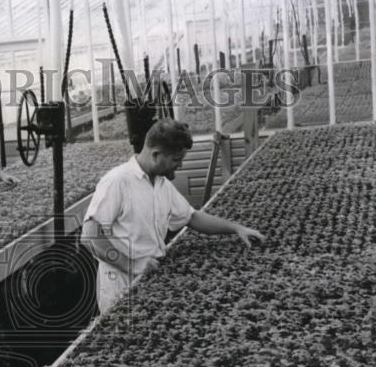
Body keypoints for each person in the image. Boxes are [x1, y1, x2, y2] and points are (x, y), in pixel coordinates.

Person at [82, 118, 265, 313]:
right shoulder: (117, 181)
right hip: (122, 286)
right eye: (176, 160)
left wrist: (237, 229)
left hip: (152, 274)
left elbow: (192, 217)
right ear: (156, 154)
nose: (180, 166)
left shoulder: (161, 183)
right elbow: (90, 236)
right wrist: (132, 265)